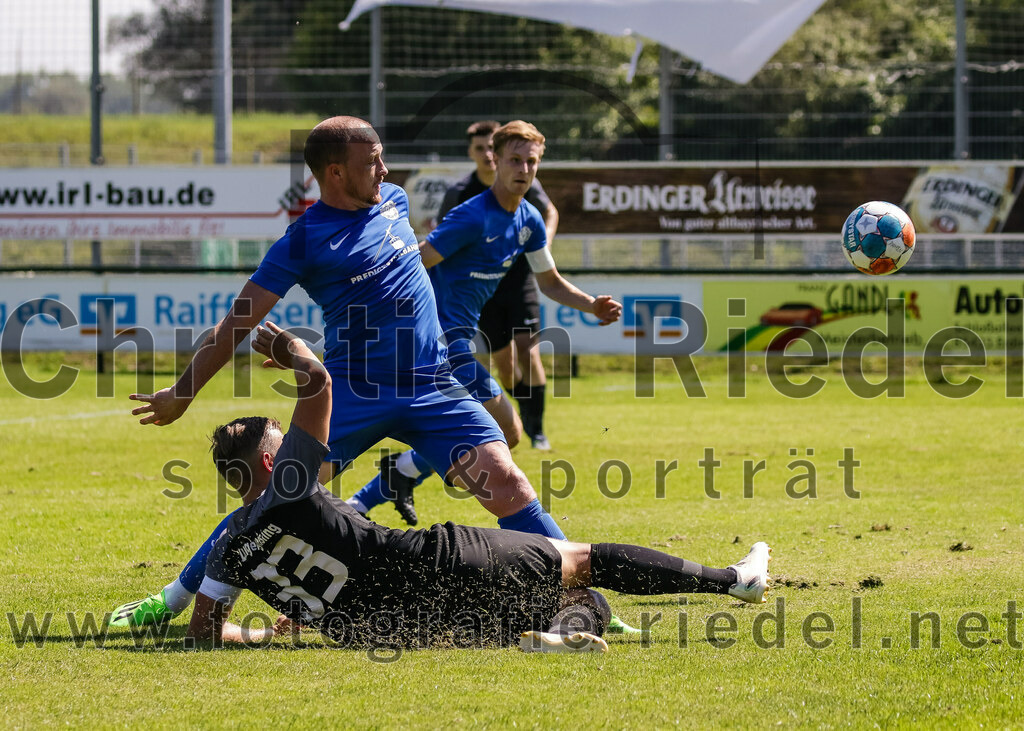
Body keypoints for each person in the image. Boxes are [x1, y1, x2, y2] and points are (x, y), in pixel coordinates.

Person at [111, 116, 616, 628]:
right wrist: (182, 392)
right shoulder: (302, 241)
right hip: (354, 391)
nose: (384, 169)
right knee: (273, 503)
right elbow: (240, 320)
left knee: (509, 484)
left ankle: (582, 597)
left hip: (432, 383)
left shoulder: (393, 200)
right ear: (334, 173)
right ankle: (171, 601)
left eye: (382, 158)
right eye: (371, 162)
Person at [185, 322, 773, 651]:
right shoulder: (288, 483)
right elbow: (317, 383)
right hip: (440, 566)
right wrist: (292, 350)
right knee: (581, 562)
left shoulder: (229, 545)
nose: (294, 442)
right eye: (281, 439)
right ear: (268, 464)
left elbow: (204, 634)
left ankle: (548, 638)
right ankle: (734, 582)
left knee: (581, 605)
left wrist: (265, 631)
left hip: (406, 630)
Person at [346, 121, 618, 527]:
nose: (523, 169)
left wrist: (590, 305)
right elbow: (417, 261)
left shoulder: (530, 220)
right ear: (496, 159)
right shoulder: (472, 216)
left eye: (532, 162)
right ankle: (529, 534)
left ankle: (386, 483)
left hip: (456, 343)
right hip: (439, 344)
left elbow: (549, 281)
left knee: (506, 435)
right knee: (504, 430)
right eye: (514, 160)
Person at [439, 120, 558, 450]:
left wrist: (541, 245)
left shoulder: (523, 185)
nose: (487, 155)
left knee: (528, 351)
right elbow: (436, 249)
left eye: (489, 147)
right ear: (476, 153)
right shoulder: (463, 195)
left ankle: (536, 428)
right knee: (505, 369)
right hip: (482, 293)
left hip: (519, 281)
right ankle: (511, 420)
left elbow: (550, 213)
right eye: (480, 149)